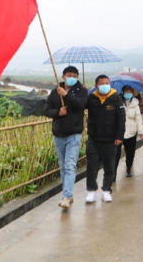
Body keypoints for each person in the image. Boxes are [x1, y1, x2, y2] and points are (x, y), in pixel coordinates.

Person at [44, 66, 88, 209]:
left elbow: (81, 105)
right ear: (63, 77)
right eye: (69, 75)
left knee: (70, 165)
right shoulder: (54, 92)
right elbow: (46, 110)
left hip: (74, 134)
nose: (72, 78)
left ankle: (66, 197)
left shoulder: (81, 91)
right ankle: (67, 194)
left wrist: (66, 95)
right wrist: (58, 112)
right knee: (63, 166)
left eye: (75, 75)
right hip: (58, 134)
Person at [85, 75, 125, 203]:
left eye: (107, 83)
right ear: (96, 86)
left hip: (110, 139)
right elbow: (79, 107)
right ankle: (91, 190)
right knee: (92, 166)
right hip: (93, 139)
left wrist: (119, 136)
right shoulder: (91, 98)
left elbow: (121, 118)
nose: (105, 85)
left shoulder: (116, 98)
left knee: (109, 167)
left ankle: (106, 190)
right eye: (102, 83)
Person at [115, 86, 143, 179]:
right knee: (116, 153)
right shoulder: (117, 101)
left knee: (130, 152)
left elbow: (138, 118)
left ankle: (128, 168)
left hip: (131, 131)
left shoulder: (135, 103)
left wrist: (140, 131)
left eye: (130, 92)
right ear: (123, 93)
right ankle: (113, 173)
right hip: (119, 131)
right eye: (126, 92)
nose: (128, 94)